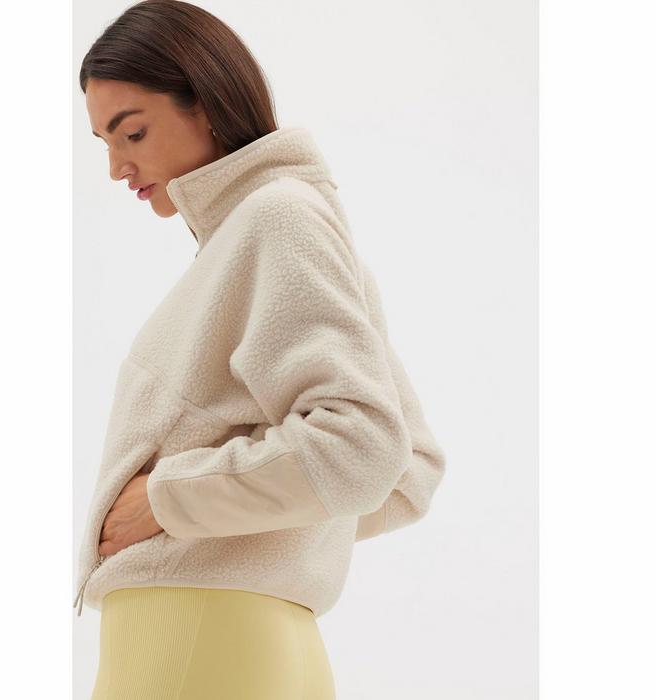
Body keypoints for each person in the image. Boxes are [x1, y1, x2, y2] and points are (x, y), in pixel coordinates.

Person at [75, 1, 446, 698]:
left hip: (187, 638)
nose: (118, 166)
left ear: (207, 103)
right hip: (254, 640)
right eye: (104, 142)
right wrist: (249, 528)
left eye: (133, 132)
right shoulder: (278, 227)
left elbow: (364, 449)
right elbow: (407, 469)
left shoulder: (275, 218)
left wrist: (167, 499)